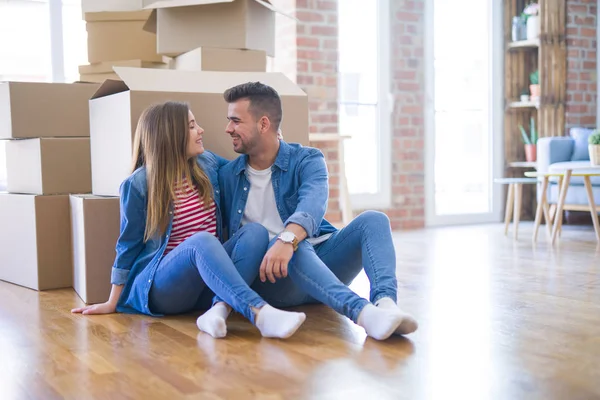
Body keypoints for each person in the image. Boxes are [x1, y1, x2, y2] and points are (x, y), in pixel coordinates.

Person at [71, 101, 306, 340]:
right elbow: (127, 245)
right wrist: (113, 301)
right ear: (171, 135)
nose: (201, 130)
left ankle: (217, 311)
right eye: (193, 126)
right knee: (201, 241)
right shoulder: (139, 185)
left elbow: (245, 169)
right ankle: (260, 314)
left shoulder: (207, 164)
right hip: (165, 289)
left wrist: (269, 142)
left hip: (207, 286)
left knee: (254, 232)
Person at [218, 83, 418, 341]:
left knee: (374, 220)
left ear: (264, 124)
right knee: (297, 248)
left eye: (235, 121)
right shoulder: (227, 175)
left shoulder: (307, 160)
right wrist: (286, 243)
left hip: (320, 263)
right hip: (272, 281)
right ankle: (364, 315)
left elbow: (313, 202)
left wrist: (287, 239)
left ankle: (386, 306)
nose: (228, 129)